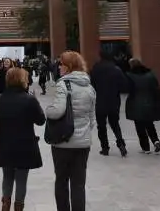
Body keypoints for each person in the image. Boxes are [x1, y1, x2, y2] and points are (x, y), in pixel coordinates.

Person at [46, 51, 96, 211]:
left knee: (61, 181)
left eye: (61, 64)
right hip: (83, 144)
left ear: (68, 67)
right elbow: (92, 118)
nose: (59, 67)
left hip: (63, 142)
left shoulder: (63, 85)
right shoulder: (89, 86)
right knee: (79, 184)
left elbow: (57, 112)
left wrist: (48, 109)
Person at [0, 67, 45, 211]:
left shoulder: (0, 98)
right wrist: (36, 102)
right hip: (24, 145)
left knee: (7, 177)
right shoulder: (29, 99)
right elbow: (41, 120)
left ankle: (5, 205)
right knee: (21, 179)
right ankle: (19, 207)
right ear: (22, 80)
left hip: (4, 143)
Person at [89, 49, 128, 157]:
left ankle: (105, 148)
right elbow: (124, 85)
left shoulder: (96, 69)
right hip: (114, 101)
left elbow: (91, 84)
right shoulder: (116, 69)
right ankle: (121, 143)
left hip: (100, 101)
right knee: (115, 124)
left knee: (101, 126)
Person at [126, 58, 160, 154]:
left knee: (139, 126)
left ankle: (146, 147)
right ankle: (155, 140)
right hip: (149, 102)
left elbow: (127, 88)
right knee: (149, 124)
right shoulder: (150, 75)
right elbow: (156, 87)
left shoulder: (130, 75)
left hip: (136, 103)